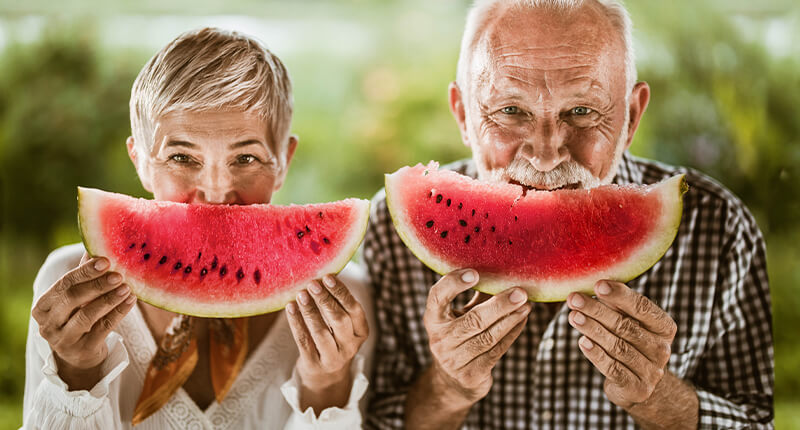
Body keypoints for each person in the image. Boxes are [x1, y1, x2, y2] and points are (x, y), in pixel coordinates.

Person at [362, 0, 773, 429]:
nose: (545, 155)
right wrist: (448, 390)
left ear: (631, 117)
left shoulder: (719, 229)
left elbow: (758, 420)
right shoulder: (390, 234)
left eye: (581, 111)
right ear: (464, 114)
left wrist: (658, 399)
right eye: (510, 111)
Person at [23, 27, 375, 429]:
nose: (215, 191)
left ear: (284, 160)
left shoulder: (344, 301)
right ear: (138, 161)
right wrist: (76, 372)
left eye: (246, 158)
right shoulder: (68, 287)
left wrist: (326, 385)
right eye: (181, 157)